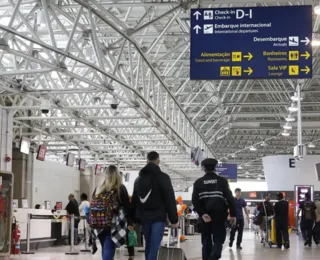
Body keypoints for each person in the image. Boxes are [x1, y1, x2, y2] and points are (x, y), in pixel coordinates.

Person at [132, 151, 178, 260]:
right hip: (158, 217)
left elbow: (134, 200)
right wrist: (174, 219)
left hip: (144, 217)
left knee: (148, 244)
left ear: (147, 161)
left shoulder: (139, 180)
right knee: (154, 246)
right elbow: (170, 199)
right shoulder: (163, 177)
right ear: (158, 161)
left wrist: (133, 219)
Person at [192, 158, 236, 260]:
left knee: (206, 240)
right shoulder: (222, 181)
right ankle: (214, 256)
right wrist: (233, 214)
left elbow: (195, 201)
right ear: (215, 168)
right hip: (219, 216)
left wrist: (202, 214)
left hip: (205, 217)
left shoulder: (198, 182)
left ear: (203, 168)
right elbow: (230, 199)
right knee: (218, 239)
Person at [93, 165, 133, 260]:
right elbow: (127, 208)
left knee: (105, 247)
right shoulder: (120, 188)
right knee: (109, 248)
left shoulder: (98, 188)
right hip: (113, 224)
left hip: (98, 223)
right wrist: (131, 222)